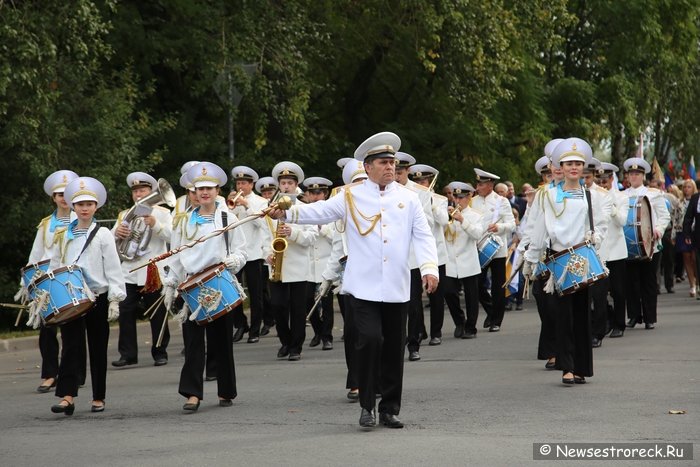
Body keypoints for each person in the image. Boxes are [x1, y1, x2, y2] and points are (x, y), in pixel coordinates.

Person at [271, 131, 438, 429]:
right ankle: (367, 406)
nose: (390, 168)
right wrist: (286, 212)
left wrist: (429, 268)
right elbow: (318, 212)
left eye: (393, 162)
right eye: (384, 163)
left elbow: (423, 235)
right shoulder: (350, 195)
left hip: (397, 287)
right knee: (370, 341)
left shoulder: (409, 199)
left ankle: (389, 407)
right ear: (368, 166)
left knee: (393, 348)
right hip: (362, 286)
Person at [524, 137, 610, 385]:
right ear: (561, 166)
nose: (573, 167)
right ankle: (567, 367)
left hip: (581, 257)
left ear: (583, 168)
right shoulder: (547, 195)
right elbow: (540, 229)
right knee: (563, 316)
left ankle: (582, 367)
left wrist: (596, 237)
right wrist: (531, 259)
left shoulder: (589, 195)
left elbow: (600, 225)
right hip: (558, 261)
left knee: (582, 313)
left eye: (578, 163)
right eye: (569, 163)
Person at [164, 161, 247, 412]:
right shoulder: (181, 222)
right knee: (193, 342)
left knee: (222, 340)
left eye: (209, 188)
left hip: (218, 282)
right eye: (199, 189)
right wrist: (170, 283)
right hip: (191, 286)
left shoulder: (227, 217)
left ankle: (226, 390)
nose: (204, 193)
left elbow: (242, 250)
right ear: (193, 192)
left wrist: (235, 261)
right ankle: (192, 394)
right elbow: (176, 255)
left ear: (217, 191)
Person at [47, 176, 126, 415]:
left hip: (97, 297)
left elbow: (113, 268)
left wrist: (115, 298)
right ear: (72, 206)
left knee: (97, 347)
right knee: (70, 346)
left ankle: (98, 397)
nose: (84, 209)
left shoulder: (103, 235)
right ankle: (67, 396)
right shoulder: (62, 234)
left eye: (89, 204)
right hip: (71, 297)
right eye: (80, 204)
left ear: (96, 207)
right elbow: (55, 265)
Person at [20, 170, 80, 393]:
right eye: (59, 194)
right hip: (47, 282)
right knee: (47, 330)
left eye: (67, 193)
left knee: (71, 331)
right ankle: (49, 374)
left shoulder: (79, 220)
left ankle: (74, 374)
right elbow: (36, 255)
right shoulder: (46, 224)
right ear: (53, 198)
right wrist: (28, 283)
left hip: (70, 279)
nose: (63, 198)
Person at [112, 172, 173, 368]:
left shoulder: (163, 213)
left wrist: (155, 224)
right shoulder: (125, 214)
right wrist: (116, 233)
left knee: (157, 312)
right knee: (126, 311)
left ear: (151, 192)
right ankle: (128, 354)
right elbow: (112, 240)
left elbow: (171, 236)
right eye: (136, 191)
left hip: (152, 270)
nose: (139, 195)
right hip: (129, 271)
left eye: (143, 191)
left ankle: (160, 351)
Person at [264, 162, 318, 361]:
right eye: (283, 183)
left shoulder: (305, 209)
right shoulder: (269, 209)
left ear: (296, 185)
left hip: (298, 266)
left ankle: (296, 347)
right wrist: (266, 254)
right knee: (278, 306)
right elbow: (263, 236)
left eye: (289, 183)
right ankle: (285, 341)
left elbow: (311, 237)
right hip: (276, 266)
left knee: (297, 309)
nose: (286, 186)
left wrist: (292, 233)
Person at [393, 152, 435, 361]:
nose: (396, 176)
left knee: (413, 304)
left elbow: (426, 223)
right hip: (391, 258)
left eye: (399, 172)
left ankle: (413, 343)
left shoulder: (419, 192)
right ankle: (395, 344)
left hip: (410, 257)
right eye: (394, 171)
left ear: (407, 171)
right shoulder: (384, 190)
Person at [623, 157, 670, 329]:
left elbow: (664, 216)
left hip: (651, 245)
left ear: (643, 176)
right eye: (631, 174)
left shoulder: (654, 194)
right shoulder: (621, 196)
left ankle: (650, 317)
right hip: (629, 246)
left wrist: (658, 229)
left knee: (648, 282)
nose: (633, 177)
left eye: (637, 174)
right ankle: (634, 316)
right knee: (631, 283)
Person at [227, 166, 270, 343]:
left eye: (244, 183)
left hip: (254, 253)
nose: (240, 187)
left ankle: (255, 329)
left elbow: (263, 224)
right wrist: (231, 207)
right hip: (236, 254)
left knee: (256, 294)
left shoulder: (260, 202)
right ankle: (241, 324)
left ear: (251, 184)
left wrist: (247, 206)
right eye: (238, 183)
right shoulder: (232, 202)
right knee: (233, 293)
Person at [408, 164, 449, 345]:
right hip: (416, 255)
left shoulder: (438, 199)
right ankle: (419, 330)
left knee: (436, 296)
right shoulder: (411, 196)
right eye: (417, 181)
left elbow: (443, 221)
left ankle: (436, 332)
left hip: (436, 254)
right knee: (414, 296)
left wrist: (431, 203)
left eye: (423, 180)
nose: (421, 184)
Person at [471, 168, 516, 332]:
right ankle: (491, 310)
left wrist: (499, 227)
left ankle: (496, 320)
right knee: (477, 284)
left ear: (490, 185)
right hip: (477, 247)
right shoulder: (472, 201)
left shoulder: (501, 201)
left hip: (497, 249)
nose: (478, 187)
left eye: (481, 184)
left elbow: (511, 224)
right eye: (477, 183)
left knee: (498, 286)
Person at [443, 182, 484, 339]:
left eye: (462, 198)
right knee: (448, 292)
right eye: (456, 197)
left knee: (471, 297)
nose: (459, 201)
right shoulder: (447, 213)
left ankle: (471, 327)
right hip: (451, 261)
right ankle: (459, 321)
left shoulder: (476, 215)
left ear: (469, 196)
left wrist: (462, 220)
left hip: (468, 260)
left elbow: (477, 235)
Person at [596, 162, 629, 339]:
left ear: (611, 179)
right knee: (599, 291)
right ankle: (602, 323)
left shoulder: (621, 197)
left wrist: (612, 207)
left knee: (618, 290)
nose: (602, 185)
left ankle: (619, 324)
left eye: (605, 181)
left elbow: (622, 221)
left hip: (616, 250)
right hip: (599, 251)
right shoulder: (592, 196)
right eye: (599, 181)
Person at [303, 176, 335, 350]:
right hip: (308, 266)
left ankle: (327, 336)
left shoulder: (332, 213)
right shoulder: (302, 212)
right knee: (308, 301)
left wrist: (323, 228)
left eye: (319, 193)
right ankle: (317, 331)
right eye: (312, 193)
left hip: (325, 264)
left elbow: (336, 238)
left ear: (325, 194)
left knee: (326, 303)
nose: (315, 197)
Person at [255, 176, 279, 335]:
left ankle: (273, 319)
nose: (267, 195)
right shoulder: (261, 205)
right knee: (263, 290)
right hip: (262, 255)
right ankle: (269, 319)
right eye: (264, 192)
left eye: (270, 191)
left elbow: (258, 222)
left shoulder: (257, 203)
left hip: (275, 253)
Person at [675, 180, 697, 297]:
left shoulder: (697, 200)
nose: (686, 189)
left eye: (689, 187)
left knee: (694, 258)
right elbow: (675, 218)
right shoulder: (679, 202)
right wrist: (674, 235)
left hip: (695, 232)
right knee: (686, 258)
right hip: (682, 232)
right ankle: (692, 285)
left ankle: (697, 281)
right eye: (685, 187)